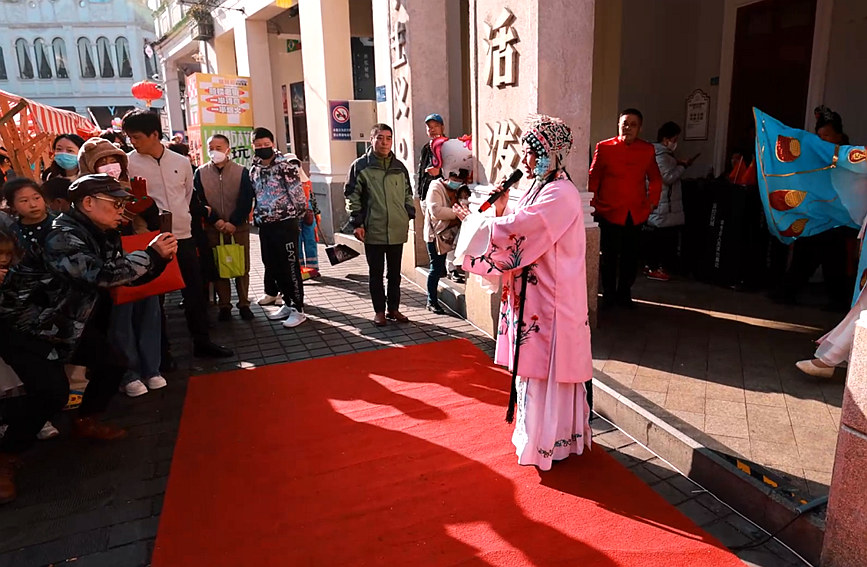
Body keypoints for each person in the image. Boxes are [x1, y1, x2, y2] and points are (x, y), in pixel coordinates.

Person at [0, 174, 177, 503]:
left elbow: (118, 273)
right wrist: (152, 257)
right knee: (52, 393)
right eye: (116, 204)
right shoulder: (61, 235)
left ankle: (85, 419)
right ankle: (6, 455)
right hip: (25, 327)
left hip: (66, 323)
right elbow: (101, 274)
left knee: (113, 363)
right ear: (88, 203)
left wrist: (158, 260)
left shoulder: (103, 231)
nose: (122, 210)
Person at [452, 114, 592, 471]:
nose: (526, 160)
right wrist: (494, 209)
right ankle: (537, 437)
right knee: (535, 371)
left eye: (534, 152)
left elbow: (524, 229)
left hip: (552, 299)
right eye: (526, 152)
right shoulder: (539, 188)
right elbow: (516, 217)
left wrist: (479, 224)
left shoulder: (561, 193)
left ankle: (551, 442)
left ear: (556, 154)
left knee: (548, 371)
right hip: (536, 295)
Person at [123, 110, 233, 358]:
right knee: (155, 298)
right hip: (149, 240)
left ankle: (202, 342)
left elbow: (186, 196)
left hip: (183, 236)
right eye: (130, 137)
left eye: (137, 137)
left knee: (194, 291)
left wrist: (181, 219)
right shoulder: (128, 164)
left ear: (154, 134)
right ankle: (161, 353)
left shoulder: (181, 162)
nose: (133, 142)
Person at [78, 137, 166, 398]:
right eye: (101, 162)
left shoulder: (132, 187)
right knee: (121, 320)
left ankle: (152, 368)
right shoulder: (85, 197)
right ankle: (129, 373)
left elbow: (153, 221)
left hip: (142, 257)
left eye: (113, 160)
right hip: (112, 266)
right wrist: (126, 212)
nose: (109, 166)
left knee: (150, 314)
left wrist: (145, 204)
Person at [773, 106, 855, 311]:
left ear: (839, 135)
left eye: (826, 135)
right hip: (815, 214)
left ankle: (836, 299)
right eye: (819, 136)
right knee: (808, 252)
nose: (822, 140)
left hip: (836, 217)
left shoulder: (847, 157)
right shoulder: (817, 155)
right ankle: (789, 291)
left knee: (831, 258)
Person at [589, 108, 662, 308]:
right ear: (619, 125)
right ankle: (609, 295)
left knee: (631, 257)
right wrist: (592, 203)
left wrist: (652, 201)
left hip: (636, 212)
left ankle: (624, 293)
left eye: (633, 124)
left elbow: (655, 178)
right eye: (625, 124)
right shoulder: (604, 147)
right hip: (609, 210)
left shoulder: (647, 150)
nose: (628, 128)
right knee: (609, 256)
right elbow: (593, 178)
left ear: (640, 128)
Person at [345, 124, 415, 326]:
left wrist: (408, 213)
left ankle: (394, 308)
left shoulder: (399, 167)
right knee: (375, 274)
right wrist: (357, 222)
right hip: (372, 229)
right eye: (380, 138)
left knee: (394, 274)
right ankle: (379, 311)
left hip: (396, 229)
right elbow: (352, 196)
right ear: (371, 140)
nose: (384, 142)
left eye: (388, 138)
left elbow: (408, 194)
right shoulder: (360, 166)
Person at [249, 127, 309, 328]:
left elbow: (297, 193)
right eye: (259, 146)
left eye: (266, 145)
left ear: (273, 145)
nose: (263, 148)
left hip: (286, 223)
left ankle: (298, 309)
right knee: (272, 264)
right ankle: (287, 302)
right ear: (253, 147)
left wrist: (299, 215)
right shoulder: (254, 169)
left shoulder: (286, 166)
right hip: (265, 224)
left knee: (289, 266)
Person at [194, 134, 255, 321]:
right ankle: (224, 306)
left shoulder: (241, 171)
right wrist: (216, 221)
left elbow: (246, 199)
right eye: (211, 147)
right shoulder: (201, 172)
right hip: (214, 229)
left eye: (219, 147)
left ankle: (244, 304)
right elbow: (199, 201)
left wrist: (234, 222)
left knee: (242, 267)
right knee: (219, 267)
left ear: (228, 150)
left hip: (239, 228)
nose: (214, 151)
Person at [423, 138, 473, 314]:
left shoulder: (460, 189)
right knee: (436, 268)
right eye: (454, 176)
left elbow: (466, 204)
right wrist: (458, 212)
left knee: (441, 268)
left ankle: (433, 297)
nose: (457, 180)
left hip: (450, 234)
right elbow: (435, 210)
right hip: (435, 236)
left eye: (460, 177)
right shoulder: (435, 186)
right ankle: (431, 300)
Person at [644, 121, 694, 281]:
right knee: (662, 240)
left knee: (662, 239)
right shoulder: (661, 155)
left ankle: (654, 266)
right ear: (666, 139)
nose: (675, 143)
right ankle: (655, 268)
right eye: (674, 139)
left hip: (665, 206)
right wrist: (683, 167)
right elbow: (667, 177)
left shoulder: (659, 154)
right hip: (663, 205)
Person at [417, 113, 447, 203]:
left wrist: (440, 172)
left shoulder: (448, 145)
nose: (432, 129)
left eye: (436, 126)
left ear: (442, 127)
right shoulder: (426, 147)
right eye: (429, 127)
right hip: (425, 194)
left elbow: (456, 170)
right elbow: (420, 170)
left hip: (442, 195)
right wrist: (420, 192)